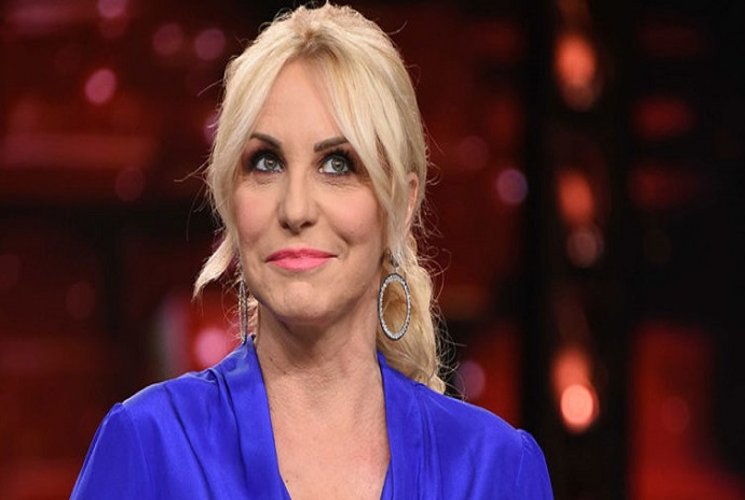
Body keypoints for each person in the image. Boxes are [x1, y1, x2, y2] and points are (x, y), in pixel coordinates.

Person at [72, 3, 553, 498]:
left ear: (401, 204)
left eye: (338, 164)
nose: (296, 208)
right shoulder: (150, 446)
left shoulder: (495, 469)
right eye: (266, 162)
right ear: (229, 201)